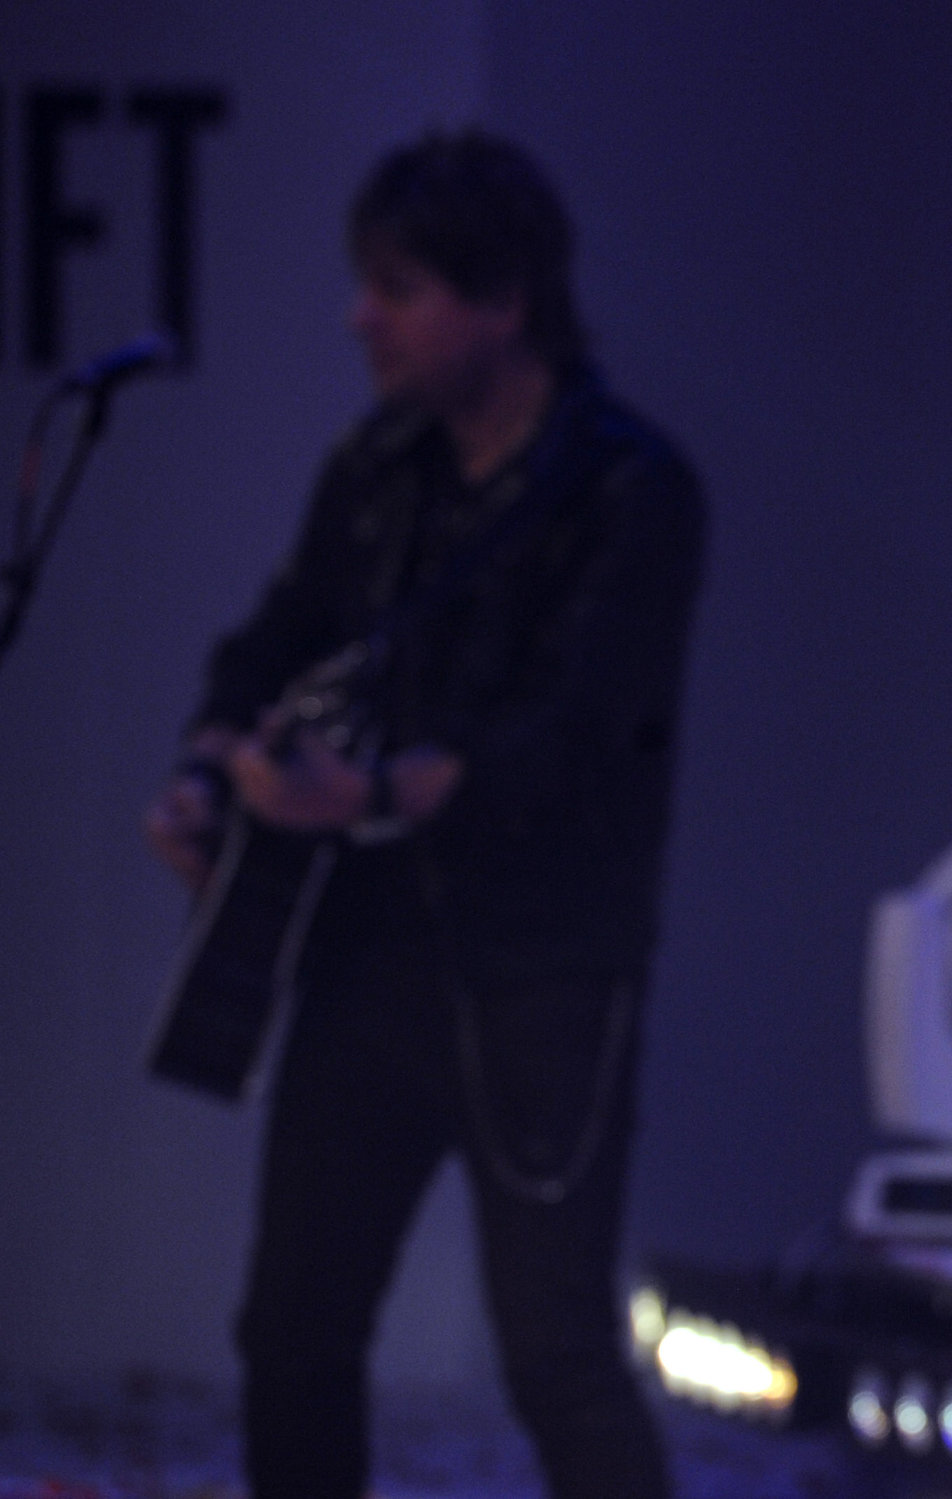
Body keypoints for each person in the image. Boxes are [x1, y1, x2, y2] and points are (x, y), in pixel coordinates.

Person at [142, 131, 702, 1499]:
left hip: (544, 969)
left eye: (397, 287)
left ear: (503, 297)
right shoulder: (379, 467)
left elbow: (576, 732)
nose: (361, 317)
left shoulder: (632, 486)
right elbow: (277, 636)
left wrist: (372, 791)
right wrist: (209, 767)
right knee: (294, 1325)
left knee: (557, 1351)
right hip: (367, 951)